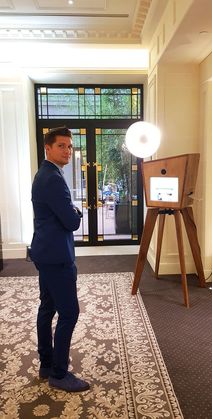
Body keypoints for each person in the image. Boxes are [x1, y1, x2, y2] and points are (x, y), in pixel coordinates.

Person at [30, 126, 90, 393]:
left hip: (45, 252)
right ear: (48, 148)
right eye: (62, 146)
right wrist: (76, 211)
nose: (68, 151)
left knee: (47, 308)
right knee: (69, 312)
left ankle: (46, 363)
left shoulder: (45, 173)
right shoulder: (52, 178)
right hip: (56, 256)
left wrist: (70, 210)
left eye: (70, 146)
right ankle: (58, 373)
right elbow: (71, 221)